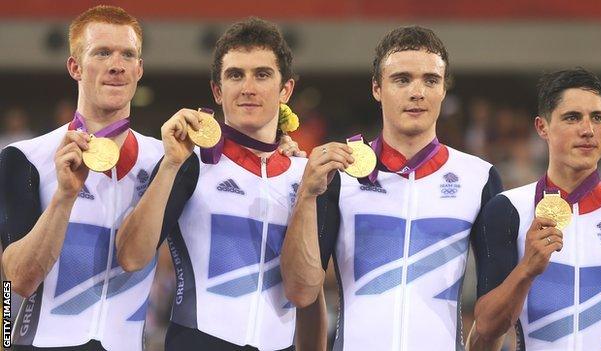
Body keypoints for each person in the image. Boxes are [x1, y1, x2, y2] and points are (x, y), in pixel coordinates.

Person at [280, 25, 502, 350]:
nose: (418, 92)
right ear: (377, 88)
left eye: (431, 80)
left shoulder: (479, 178)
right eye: (402, 79)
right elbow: (301, 292)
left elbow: (491, 316)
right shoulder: (337, 175)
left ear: (443, 90)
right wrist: (306, 194)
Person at [115, 18, 321, 351]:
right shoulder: (187, 161)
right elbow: (131, 258)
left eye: (262, 74)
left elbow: (310, 296)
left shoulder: (307, 175)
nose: (248, 87)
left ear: (286, 90)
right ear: (217, 90)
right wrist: (169, 165)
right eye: (235, 75)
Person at [0, 6, 163, 351]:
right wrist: (63, 197)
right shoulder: (25, 158)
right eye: (102, 53)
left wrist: (285, 151)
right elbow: (17, 281)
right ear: (75, 67)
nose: (116, 65)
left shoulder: (168, 161)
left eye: (127, 55)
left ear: (139, 69)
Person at [469, 68, 601, 350]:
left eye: (597, 118)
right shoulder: (507, 209)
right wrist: (527, 268)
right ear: (542, 127)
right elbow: (487, 328)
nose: (587, 130)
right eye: (572, 117)